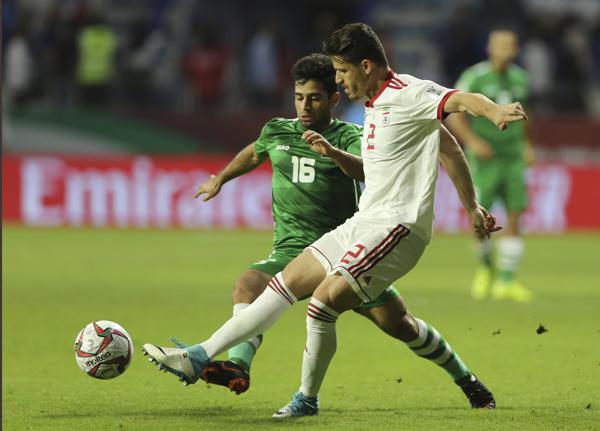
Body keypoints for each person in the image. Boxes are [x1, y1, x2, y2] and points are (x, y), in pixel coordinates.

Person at [143, 22, 525, 416]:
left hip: (397, 227)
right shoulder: (374, 108)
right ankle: (198, 356)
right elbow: (449, 148)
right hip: (364, 223)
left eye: (341, 72)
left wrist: (493, 110)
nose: (339, 81)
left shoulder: (409, 94)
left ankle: (306, 400)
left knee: (322, 303)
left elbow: (462, 100)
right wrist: (472, 207)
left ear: (365, 65)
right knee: (284, 283)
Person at [447, 28, 534, 302]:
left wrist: (527, 144)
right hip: (485, 159)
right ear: (490, 48)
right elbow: (453, 116)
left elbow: (525, 116)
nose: (505, 49)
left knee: (516, 213)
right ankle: (485, 269)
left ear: (516, 49)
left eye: (510, 45)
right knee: (480, 217)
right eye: (500, 44)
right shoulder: (475, 77)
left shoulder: (521, 79)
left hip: (512, 158)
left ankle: (506, 280)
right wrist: (472, 142)